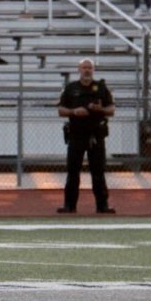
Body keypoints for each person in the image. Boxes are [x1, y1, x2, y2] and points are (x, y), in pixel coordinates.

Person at [57, 58, 115, 215]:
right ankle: (69, 206)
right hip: (76, 134)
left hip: (96, 135)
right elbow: (61, 110)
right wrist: (74, 112)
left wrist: (100, 109)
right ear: (79, 70)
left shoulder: (102, 88)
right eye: (84, 67)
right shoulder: (70, 88)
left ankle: (102, 206)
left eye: (89, 67)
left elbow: (112, 110)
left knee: (98, 172)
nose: (87, 70)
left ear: (93, 70)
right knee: (73, 171)